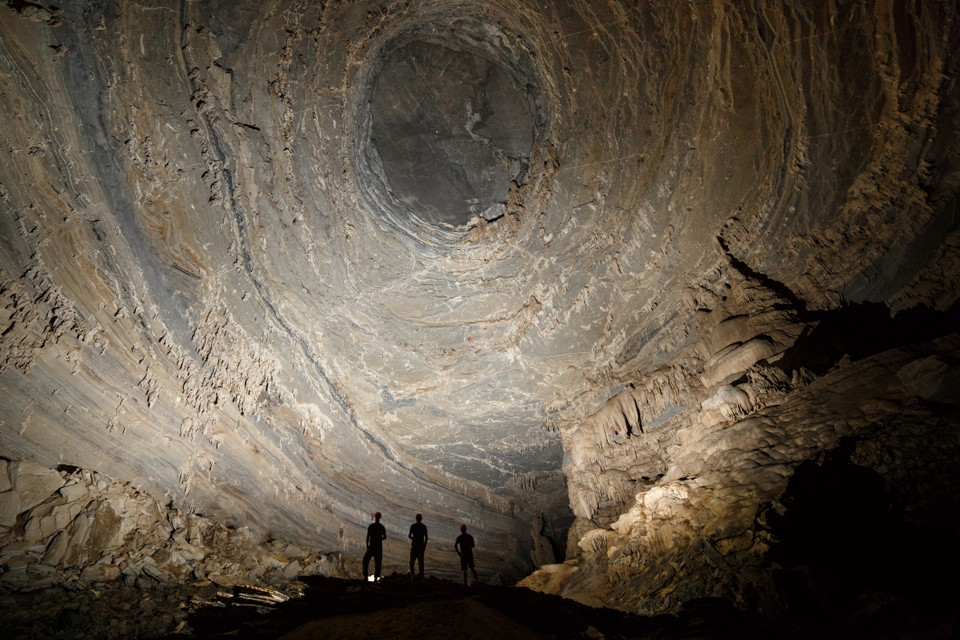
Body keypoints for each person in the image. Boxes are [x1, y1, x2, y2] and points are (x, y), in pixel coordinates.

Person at [362, 512, 387, 582]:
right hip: (378, 547)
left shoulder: (371, 526)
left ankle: (365, 576)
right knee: (378, 562)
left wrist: (367, 546)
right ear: (380, 518)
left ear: (375, 517)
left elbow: (368, 536)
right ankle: (376, 578)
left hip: (372, 546)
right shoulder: (382, 527)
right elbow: (385, 537)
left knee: (366, 560)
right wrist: (379, 539)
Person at [408, 513, 428, 580]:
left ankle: (412, 577)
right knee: (421, 564)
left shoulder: (413, 526)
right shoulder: (424, 526)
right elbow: (426, 537)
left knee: (411, 562)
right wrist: (424, 546)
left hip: (414, 546)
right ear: (421, 519)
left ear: (416, 519)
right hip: (421, 547)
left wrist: (414, 538)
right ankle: (421, 578)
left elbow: (409, 535)